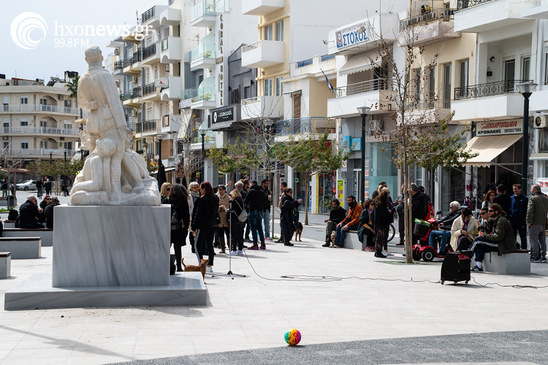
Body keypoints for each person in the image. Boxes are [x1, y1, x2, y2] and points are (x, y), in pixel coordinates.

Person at [472, 203, 516, 272]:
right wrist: (481, 228)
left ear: (496, 212)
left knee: (478, 240)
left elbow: (498, 237)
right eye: (488, 211)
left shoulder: (501, 221)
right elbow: (490, 233)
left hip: (503, 245)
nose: (488, 212)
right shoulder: (495, 220)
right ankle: (479, 266)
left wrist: (485, 235)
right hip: (498, 243)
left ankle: (468, 254)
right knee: (480, 245)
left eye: (490, 211)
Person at [191, 181, 219, 273]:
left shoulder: (201, 200)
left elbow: (197, 215)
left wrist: (193, 227)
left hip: (203, 225)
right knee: (210, 244)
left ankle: (201, 264)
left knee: (197, 244)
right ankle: (210, 265)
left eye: (201, 188)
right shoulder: (215, 199)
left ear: (204, 189)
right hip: (213, 224)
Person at [169, 184, 190, 272]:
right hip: (179, 228)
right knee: (178, 247)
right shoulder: (184, 202)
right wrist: (186, 227)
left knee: (167, 246)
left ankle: (168, 264)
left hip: (168, 227)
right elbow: (186, 216)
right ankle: (179, 266)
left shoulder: (168, 200)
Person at [526, 184, 548, 262]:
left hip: (534, 223)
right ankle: (543, 255)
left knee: (533, 240)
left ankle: (535, 256)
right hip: (543, 223)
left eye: (531, 189)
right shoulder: (546, 198)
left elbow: (530, 211)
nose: (530, 190)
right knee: (542, 240)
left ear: (534, 190)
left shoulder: (533, 198)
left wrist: (528, 221)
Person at [245, 181, 267, 250]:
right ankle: (263, 244)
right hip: (260, 211)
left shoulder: (251, 191)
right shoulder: (262, 192)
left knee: (253, 228)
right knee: (260, 228)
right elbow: (265, 201)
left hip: (252, 210)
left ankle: (255, 244)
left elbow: (246, 200)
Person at [373, 190, 393, 258]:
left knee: (379, 237)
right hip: (381, 223)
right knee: (380, 237)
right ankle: (378, 251)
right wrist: (389, 212)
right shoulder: (382, 203)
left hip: (377, 222)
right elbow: (384, 214)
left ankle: (378, 251)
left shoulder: (377, 202)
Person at [510, 184, 528, 250]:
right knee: (512, 237)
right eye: (513, 189)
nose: (514, 190)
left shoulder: (525, 199)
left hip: (521, 220)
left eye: (516, 189)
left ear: (520, 189)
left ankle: (524, 250)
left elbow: (526, 209)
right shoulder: (511, 198)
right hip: (513, 220)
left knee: (523, 237)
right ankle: (513, 249)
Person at [229, 189, 245, 256]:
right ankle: (240, 249)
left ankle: (234, 249)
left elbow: (231, 210)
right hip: (241, 219)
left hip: (234, 219)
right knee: (240, 234)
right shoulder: (241, 201)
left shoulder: (233, 201)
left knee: (234, 235)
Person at [217, 185, 230, 254]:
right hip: (219, 219)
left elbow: (230, 207)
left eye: (222, 190)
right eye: (219, 190)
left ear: (225, 190)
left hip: (226, 218)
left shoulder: (228, 198)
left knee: (228, 233)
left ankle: (230, 246)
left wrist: (225, 208)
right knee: (220, 234)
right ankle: (222, 248)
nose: (220, 191)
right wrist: (219, 208)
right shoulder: (216, 197)